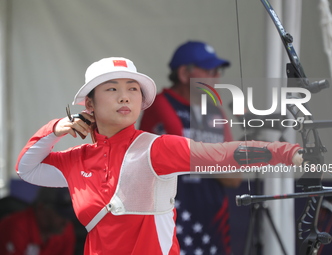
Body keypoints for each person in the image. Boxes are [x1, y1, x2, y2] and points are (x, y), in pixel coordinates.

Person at [16, 56, 303, 255]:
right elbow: (26, 168)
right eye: (112, 89)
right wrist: (56, 128)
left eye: (132, 89)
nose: (125, 96)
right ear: (89, 103)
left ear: (142, 103)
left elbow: (223, 154)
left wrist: (285, 152)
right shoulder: (76, 158)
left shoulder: (157, 147)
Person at [139, 40, 241, 254]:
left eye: (218, 71)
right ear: (185, 74)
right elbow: (185, 150)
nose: (217, 77)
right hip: (174, 216)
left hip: (212, 216)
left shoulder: (214, 113)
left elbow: (234, 176)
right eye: (210, 70)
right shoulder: (160, 103)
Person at [0, 187, 75, 255]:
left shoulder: (65, 229)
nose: (66, 221)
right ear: (41, 208)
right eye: (60, 214)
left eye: (68, 215)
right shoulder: (16, 228)